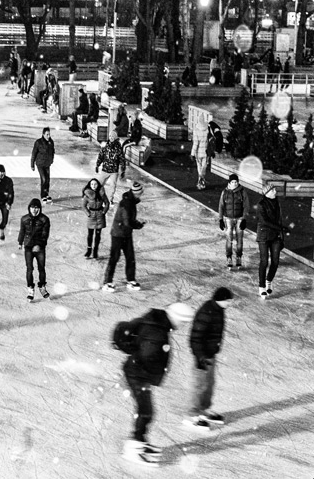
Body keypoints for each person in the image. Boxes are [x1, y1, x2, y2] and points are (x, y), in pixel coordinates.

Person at [118, 302, 195, 465]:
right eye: (182, 322)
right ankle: (133, 449)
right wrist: (153, 373)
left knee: (146, 411)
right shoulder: (157, 332)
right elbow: (148, 356)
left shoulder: (158, 324)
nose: (182, 326)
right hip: (137, 375)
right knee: (146, 411)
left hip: (138, 373)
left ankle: (140, 442)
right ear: (175, 318)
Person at [184, 287, 234, 432]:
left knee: (209, 384)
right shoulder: (207, 312)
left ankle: (203, 410)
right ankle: (192, 415)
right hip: (202, 355)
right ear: (221, 300)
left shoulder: (218, 310)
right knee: (199, 385)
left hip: (210, 354)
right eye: (228, 301)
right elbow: (195, 337)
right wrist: (200, 356)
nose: (229, 303)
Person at [102, 182, 144, 292]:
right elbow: (127, 222)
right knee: (114, 257)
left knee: (130, 257)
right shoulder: (126, 203)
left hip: (126, 233)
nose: (141, 195)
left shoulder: (131, 202)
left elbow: (129, 220)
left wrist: (136, 224)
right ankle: (107, 282)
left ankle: (131, 280)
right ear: (136, 193)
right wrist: (137, 225)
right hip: (118, 234)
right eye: (140, 193)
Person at [255, 184, 285, 298]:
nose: (275, 192)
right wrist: (280, 228)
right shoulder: (261, 205)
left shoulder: (277, 203)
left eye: (275, 190)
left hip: (275, 236)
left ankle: (269, 281)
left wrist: (282, 236)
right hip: (263, 235)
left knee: (275, 261)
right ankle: (261, 286)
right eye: (272, 190)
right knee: (264, 261)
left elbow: (280, 219)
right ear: (266, 193)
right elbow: (264, 221)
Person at [18, 198, 51, 301]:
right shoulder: (24, 219)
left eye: (36, 208)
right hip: (28, 246)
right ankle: (30, 289)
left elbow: (45, 235)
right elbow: (22, 232)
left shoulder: (44, 219)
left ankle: (42, 286)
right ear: (29, 208)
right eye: (32, 207)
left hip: (40, 247)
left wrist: (39, 245)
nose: (34, 210)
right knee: (29, 268)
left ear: (39, 209)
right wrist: (20, 242)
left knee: (41, 268)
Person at [217, 173, 248, 271]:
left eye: (236, 182)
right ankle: (229, 258)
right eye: (233, 182)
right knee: (229, 239)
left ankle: (239, 257)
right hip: (228, 218)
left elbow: (246, 206)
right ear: (229, 182)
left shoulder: (242, 192)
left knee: (239, 240)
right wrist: (220, 219)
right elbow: (221, 206)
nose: (235, 184)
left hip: (239, 219)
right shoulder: (225, 192)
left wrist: (244, 218)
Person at [81, 177, 110, 260]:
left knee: (98, 234)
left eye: (95, 184)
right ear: (90, 185)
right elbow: (83, 205)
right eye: (92, 184)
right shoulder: (87, 194)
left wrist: (104, 211)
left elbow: (107, 203)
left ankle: (95, 250)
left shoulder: (102, 193)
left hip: (100, 215)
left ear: (98, 185)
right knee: (90, 234)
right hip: (92, 216)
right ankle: (89, 249)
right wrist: (88, 214)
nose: (94, 186)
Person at [95, 136, 126, 204]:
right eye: (110, 136)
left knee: (112, 186)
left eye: (113, 136)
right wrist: (97, 165)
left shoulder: (118, 149)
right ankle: (97, 197)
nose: (111, 138)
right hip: (105, 170)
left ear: (115, 138)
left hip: (114, 172)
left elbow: (122, 160)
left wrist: (123, 170)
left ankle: (109, 199)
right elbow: (100, 157)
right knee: (99, 184)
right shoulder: (105, 148)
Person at [30, 127, 55, 204]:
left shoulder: (51, 142)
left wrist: (51, 160)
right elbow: (34, 153)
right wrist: (32, 164)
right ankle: (43, 196)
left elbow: (52, 151)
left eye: (49, 134)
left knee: (47, 180)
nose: (48, 136)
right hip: (40, 164)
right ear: (43, 134)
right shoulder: (38, 142)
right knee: (43, 179)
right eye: (47, 134)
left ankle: (46, 194)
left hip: (47, 164)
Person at [191, 116, 211, 190]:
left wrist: (192, 153)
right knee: (204, 167)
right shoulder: (207, 130)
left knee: (199, 167)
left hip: (198, 153)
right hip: (206, 152)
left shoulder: (196, 130)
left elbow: (195, 143)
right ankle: (202, 179)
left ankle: (200, 180)